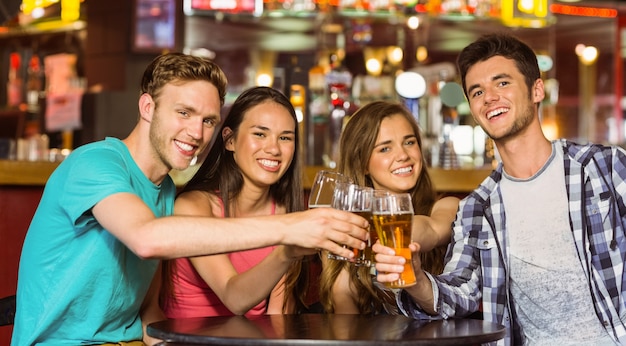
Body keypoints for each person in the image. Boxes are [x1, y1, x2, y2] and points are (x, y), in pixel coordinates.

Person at [11, 53, 369, 345]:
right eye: (184, 113)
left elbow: (149, 308)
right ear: (148, 107)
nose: (197, 133)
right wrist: (291, 228)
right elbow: (146, 238)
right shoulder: (94, 164)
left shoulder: (165, 190)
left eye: (209, 120)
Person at [373, 33, 626, 345]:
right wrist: (414, 280)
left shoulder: (604, 167)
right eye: (477, 91)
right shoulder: (478, 207)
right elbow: (458, 294)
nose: (489, 97)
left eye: (502, 83)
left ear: (537, 90)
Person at [149, 86, 313, 323]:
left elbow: (277, 318)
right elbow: (233, 297)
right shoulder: (193, 208)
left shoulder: (286, 215)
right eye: (260, 134)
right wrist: (287, 250)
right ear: (230, 140)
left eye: (285, 138)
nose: (274, 149)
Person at [319, 101, 459, 314]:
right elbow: (344, 304)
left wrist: (363, 232)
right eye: (385, 148)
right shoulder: (345, 228)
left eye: (409, 142)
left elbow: (431, 230)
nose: (403, 155)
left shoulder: (447, 206)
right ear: (362, 163)